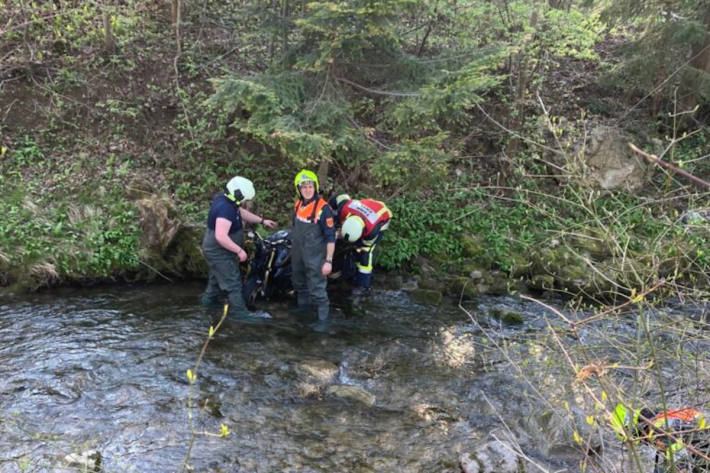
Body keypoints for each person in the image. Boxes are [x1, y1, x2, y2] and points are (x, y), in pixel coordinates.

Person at [200, 176, 277, 320]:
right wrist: (239, 250)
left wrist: (262, 220)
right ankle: (241, 314)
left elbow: (240, 212)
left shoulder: (225, 199)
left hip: (218, 250)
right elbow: (221, 236)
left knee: (215, 279)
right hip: (219, 252)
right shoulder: (225, 209)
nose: (245, 202)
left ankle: (208, 304)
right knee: (233, 283)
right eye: (245, 199)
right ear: (238, 195)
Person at [291, 170, 336, 327]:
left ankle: (323, 322)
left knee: (317, 289)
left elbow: (331, 237)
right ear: (299, 189)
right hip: (298, 254)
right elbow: (294, 228)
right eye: (304, 187)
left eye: (310, 186)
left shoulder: (324, 209)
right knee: (299, 283)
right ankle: (303, 313)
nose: (307, 190)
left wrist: (328, 261)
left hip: (316, 256)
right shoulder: (297, 205)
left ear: (315, 187)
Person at [611, 403, 710, 473]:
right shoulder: (658, 417)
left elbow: (676, 450)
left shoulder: (654, 429)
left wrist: (681, 468)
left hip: (702, 445)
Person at [328, 194, 392, 296]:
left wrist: (356, 245)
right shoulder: (344, 207)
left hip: (382, 216)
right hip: (364, 206)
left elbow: (364, 245)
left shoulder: (372, 232)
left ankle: (363, 286)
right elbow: (341, 197)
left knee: (365, 254)